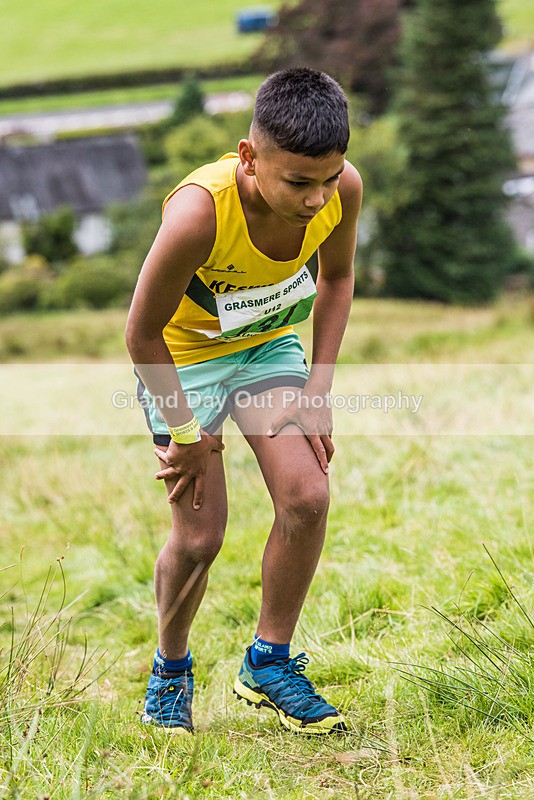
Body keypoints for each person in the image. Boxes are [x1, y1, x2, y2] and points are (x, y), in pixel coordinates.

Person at [126, 67, 362, 735]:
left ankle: (269, 663)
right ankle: (171, 669)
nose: (317, 199)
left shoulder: (343, 189)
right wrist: (184, 432)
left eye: (328, 178)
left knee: (307, 496)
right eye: (298, 182)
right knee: (200, 537)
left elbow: (338, 278)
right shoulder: (198, 212)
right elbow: (140, 332)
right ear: (248, 157)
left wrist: (318, 389)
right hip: (184, 362)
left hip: (265, 350)